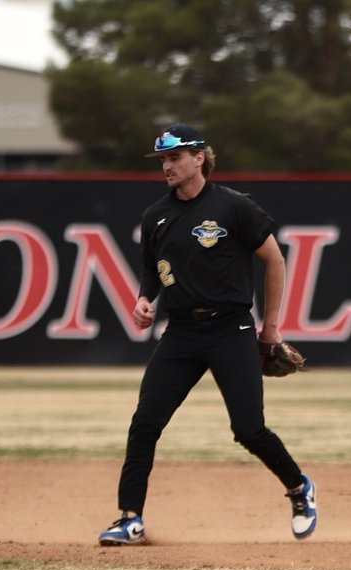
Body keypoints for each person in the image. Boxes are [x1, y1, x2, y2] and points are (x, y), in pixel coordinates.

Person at [97, 123, 316, 545]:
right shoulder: (155, 215)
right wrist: (146, 299)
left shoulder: (235, 207)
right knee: (145, 422)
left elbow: (274, 261)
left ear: (200, 158)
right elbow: (151, 269)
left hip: (230, 328)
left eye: (175, 157)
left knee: (249, 430)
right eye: (163, 159)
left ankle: (298, 487)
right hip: (180, 331)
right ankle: (130, 518)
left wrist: (269, 329)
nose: (168, 166)